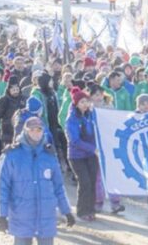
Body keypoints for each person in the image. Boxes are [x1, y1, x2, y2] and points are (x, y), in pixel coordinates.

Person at [0, 116, 75, 244]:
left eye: (39, 130)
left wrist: (67, 211)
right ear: (25, 131)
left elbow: (58, 186)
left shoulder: (49, 155)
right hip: (22, 215)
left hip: (46, 216)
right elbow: (2, 187)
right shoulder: (12, 155)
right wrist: (1, 215)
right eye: (32, 130)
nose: (35, 133)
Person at [65, 87, 98, 221]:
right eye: (82, 102)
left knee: (92, 181)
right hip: (77, 156)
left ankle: (91, 209)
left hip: (91, 155)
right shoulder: (72, 119)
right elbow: (75, 140)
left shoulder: (90, 115)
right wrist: (92, 148)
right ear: (76, 104)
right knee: (84, 182)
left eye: (86, 101)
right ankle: (82, 210)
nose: (85, 105)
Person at [0, 76, 26, 150]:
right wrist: (1, 107)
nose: (15, 91)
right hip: (7, 134)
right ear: (8, 90)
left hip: (22, 133)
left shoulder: (24, 99)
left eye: (17, 89)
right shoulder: (3, 100)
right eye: (13, 89)